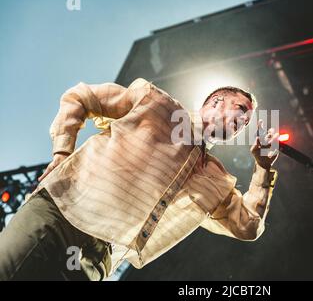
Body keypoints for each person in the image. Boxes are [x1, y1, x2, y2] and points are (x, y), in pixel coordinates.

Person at [0, 78, 279, 280]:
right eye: (241, 111)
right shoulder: (154, 102)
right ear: (216, 102)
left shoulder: (213, 176)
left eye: (246, 124)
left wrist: (262, 167)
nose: (243, 124)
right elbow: (81, 96)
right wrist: (62, 154)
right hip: (60, 213)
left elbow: (249, 227)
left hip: (95, 261)